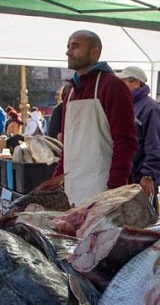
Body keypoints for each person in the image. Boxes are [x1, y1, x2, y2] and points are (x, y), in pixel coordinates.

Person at [53, 30, 138, 206]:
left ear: (95, 52)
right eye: (68, 47)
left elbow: (125, 142)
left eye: (75, 46)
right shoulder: (70, 93)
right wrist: (54, 184)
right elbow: (67, 147)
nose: (68, 52)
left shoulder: (112, 86)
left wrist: (115, 188)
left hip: (101, 187)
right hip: (72, 189)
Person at [118, 66, 160, 212]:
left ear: (136, 82)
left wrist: (149, 175)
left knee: (144, 225)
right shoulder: (126, 105)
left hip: (141, 179)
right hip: (126, 179)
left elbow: (156, 144)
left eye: (123, 81)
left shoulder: (150, 108)